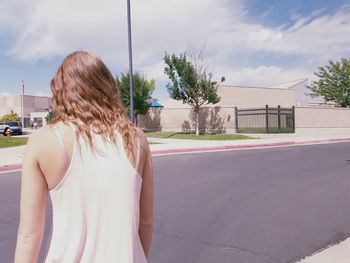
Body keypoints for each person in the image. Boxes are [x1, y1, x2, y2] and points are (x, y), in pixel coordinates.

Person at [14, 51, 154, 262]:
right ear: (107, 87)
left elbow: (29, 235)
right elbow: (146, 222)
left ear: (61, 92)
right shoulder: (137, 139)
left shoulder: (43, 140)